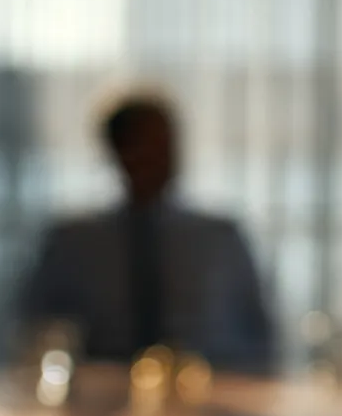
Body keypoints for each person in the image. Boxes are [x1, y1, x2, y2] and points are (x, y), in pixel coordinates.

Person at [20, 93, 275, 371]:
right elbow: (36, 331)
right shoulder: (71, 243)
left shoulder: (221, 238)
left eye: (165, 143)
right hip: (100, 397)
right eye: (143, 145)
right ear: (115, 151)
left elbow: (260, 339)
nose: (158, 156)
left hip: (212, 393)